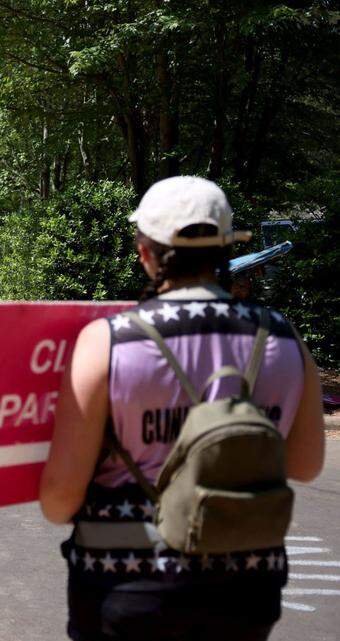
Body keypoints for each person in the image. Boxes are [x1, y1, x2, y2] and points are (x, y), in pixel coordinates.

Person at [39, 176, 325, 640]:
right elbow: (305, 465)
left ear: (145, 252)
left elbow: (59, 501)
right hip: (247, 589)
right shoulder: (282, 337)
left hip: (127, 585)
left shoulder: (109, 342)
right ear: (225, 250)